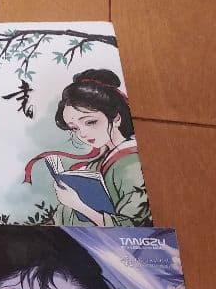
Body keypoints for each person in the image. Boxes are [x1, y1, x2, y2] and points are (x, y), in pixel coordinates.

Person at [24, 69, 152, 226]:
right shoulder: (98, 162)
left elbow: (133, 227)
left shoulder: (131, 163)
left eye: (90, 122)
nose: (82, 134)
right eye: (74, 128)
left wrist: (78, 205)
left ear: (116, 118)